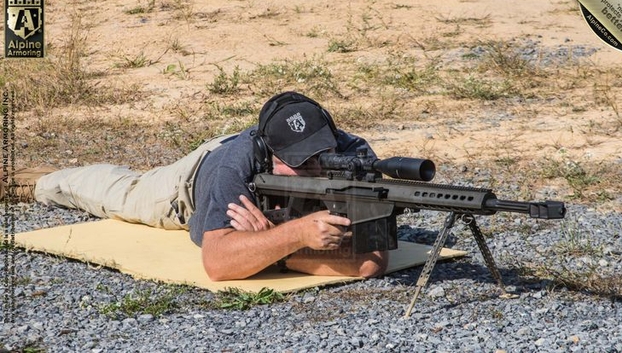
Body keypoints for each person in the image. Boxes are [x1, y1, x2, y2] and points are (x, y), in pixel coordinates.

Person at [34, 91, 389, 281]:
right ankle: (37, 182)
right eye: (299, 162)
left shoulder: (354, 154)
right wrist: (293, 236)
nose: (315, 168)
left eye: (321, 154)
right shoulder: (236, 163)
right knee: (123, 195)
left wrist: (265, 243)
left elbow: (370, 262)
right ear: (271, 157)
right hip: (189, 184)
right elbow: (218, 263)